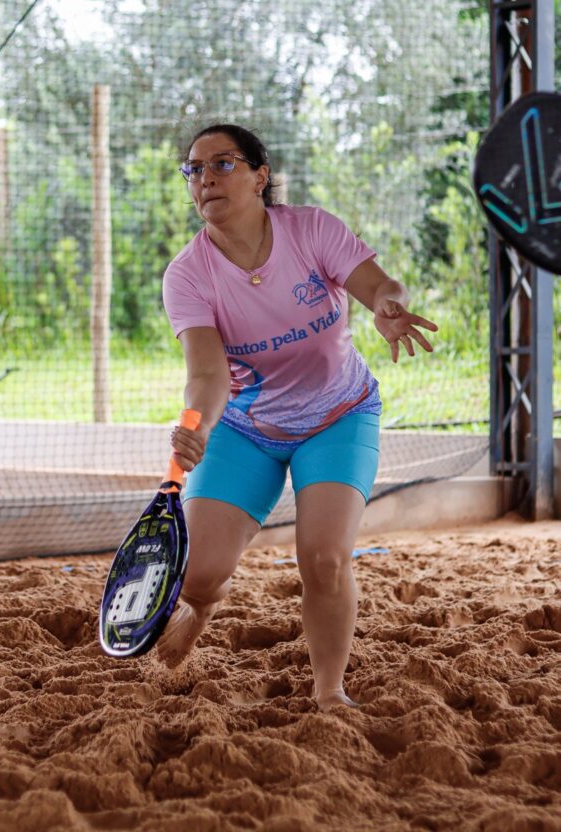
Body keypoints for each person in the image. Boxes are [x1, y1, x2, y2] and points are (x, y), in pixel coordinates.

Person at [159, 123, 437, 709]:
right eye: (193, 169)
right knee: (199, 574)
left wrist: (390, 306)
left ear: (261, 176)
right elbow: (208, 374)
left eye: (222, 164)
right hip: (246, 429)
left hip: (339, 415)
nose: (205, 177)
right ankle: (203, 606)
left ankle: (329, 692)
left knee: (325, 558)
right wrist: (199, 425)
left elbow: (380, 284)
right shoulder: (188, 274)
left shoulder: (310, 229)